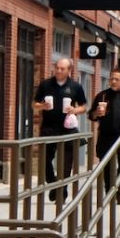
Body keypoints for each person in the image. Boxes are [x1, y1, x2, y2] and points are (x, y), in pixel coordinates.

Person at [32, 58, 88, 196]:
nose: (58, 70)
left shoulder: (75, 86)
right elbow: (34, 104)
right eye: (57, 67)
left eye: (62, 68)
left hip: (67, 129)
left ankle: (61, 190)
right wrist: (42, 106)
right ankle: (53, 183)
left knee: (66, 163)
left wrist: (74, 110)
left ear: (69, 70)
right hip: (48, 128)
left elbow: (84, 107)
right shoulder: (45, 84)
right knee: (45, 159)